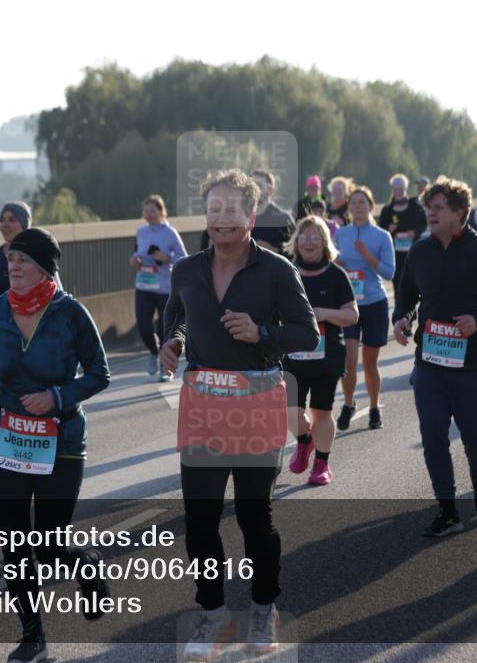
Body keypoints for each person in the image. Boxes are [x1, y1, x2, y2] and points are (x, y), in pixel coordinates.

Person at [160, 169, 318, 659]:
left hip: (256, 402)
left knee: (255, 516)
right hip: (202, 404)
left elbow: (307, 333)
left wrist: (262, 334)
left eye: (232, 210)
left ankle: (263, 607)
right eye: (213, 209)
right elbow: (175, 315)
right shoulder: (185, 270)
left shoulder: (275, 271)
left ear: (250, 216)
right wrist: (173, 343)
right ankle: (211, 614)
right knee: (201, 519)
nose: (221, 218)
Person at [0, 227, 111, 662]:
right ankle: (32, 635)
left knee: (47, 543)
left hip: (61, 441)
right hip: (8, 439)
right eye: (11, 260)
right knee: (14, 542)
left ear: (46, 267)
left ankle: (86, 565)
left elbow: (99, 373)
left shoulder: (70, 313)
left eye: (24, 260)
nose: (14, 267)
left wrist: (57, 398)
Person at [392, 176, 477, 537]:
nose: (430, 214)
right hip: (430, 363)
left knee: (475, 440)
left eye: (438, 208)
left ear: (460, 213)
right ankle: (447, 509)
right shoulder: (420, 251)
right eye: (428, 208)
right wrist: (401, 318)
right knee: (433, 437)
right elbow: (407, 296)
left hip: (473, 365)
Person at [283, 216, 358, 484]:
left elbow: (352, 315)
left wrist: (324, 313)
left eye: (315, 237)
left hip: (327, 356)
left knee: (322, 411)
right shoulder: (286, 271)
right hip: (292, 356)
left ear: (324, 242)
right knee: (289, 412)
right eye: (303, 237)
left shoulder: (336, 275)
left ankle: (321, 466)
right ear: (296, 242)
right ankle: (305, 441)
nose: (309, 242)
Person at [333, 186, 395, 431]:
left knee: (370, 364)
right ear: (349, 208)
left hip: (374, 303)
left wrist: (367, 255)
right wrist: (335, 264)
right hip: (348, 305)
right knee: (348, 361)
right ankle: (348, 404)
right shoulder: (342, 235)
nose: (358, 207)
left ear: (371, 206)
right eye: (354, 203)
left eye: (362, 203)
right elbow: (331, 266)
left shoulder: (381, 236)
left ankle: (373, 407)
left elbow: (389, 272)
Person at [129, 194, 187, 380]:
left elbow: (183, 258)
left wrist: (167, 258)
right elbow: (137, 253)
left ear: (161, 212)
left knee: (164, 330)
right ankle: (153, 352)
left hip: (164, 288)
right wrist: (134, 260)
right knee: (144, 328)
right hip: (144, 285)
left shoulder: (170, 233)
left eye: (152, 211)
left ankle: (165, 366)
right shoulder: (141, 231)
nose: (148, 214)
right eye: (145, 211)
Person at [379, 173, 427, 296]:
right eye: (395, 189)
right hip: (394, 252)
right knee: (398, 281)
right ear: (392, 190)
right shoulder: (387, 210)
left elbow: (424, 224)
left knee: (414, 280)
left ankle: (413, 309)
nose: (398, 191)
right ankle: (399, 309)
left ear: (405, 189)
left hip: (413, 250)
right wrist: (388, 228)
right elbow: (380, 229)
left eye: (401, 188)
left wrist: (414, 232)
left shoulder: (414, 207)